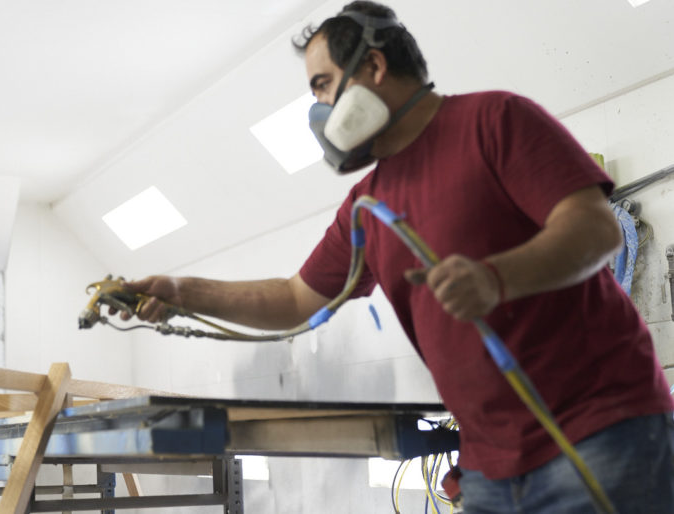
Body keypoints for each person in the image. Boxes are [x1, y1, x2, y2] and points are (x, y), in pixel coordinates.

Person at [119, 2, 674, 512]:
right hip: (490, 466)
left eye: (323, 86)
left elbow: (596, 230)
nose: (318, 108)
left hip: (600, 433)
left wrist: (496, 277)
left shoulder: (495, 121)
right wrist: (184, 294)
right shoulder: (367, 206)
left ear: (375, 68)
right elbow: (293, 299)